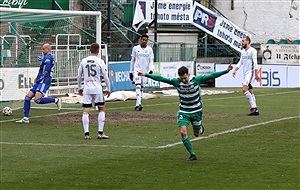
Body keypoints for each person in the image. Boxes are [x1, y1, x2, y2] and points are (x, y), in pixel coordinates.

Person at [138, 64, 233, 161]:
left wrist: (226, 71)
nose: (183, 80)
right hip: (184, 111)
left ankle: (200, 127)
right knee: (183, 132)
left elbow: (212, 75)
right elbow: (161, 78)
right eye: (181, 78)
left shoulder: (196, 80)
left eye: (185, 78)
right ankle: (192, 154)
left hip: (196, 111)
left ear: (188, 74)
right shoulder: (176, 82)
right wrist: (145, 74)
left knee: (197, 134)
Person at [16, 43, 62, 124]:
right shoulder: (47, 57)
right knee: (27, 98)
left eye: (43, 49)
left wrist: (43, 75)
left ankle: (56, 100)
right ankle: (25, 118)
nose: (42, 50)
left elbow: (47, 67)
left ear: (48, 49)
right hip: (39, 80)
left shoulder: (48, 57)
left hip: (44, 80)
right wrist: (42, 61)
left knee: (37, 99)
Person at [77, 43, 111, 140]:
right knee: (101, 108)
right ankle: (100, 132)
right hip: (97, 88)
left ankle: (86, 133)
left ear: (89, 50)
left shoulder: (84, 61)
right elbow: (105, 77)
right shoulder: (100, 61)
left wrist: (80, 87)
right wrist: (108, 89)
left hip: (87, 88)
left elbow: (79, 76)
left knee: (86, 110)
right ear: (98, 50)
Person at [232, 36, 260, 116]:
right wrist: (235, 70)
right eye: (242, 41)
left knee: (244, 89)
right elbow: (240, 62)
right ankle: (255, 110)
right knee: (250, 91)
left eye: (243, 41)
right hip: (245, 74)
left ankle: (254, 108)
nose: (242, 42)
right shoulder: (243, 52)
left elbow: (255, 63)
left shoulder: (252, 51)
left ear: (248, 41)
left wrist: (256, 73)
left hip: (250, 74)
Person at [130, 34, 154, 111]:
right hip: (137, 70)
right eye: (143, 39)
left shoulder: (149, 49)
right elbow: (132, 60)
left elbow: (151, 61)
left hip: (145, 71)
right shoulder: (135, 48)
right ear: (141, 40)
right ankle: (138, 103)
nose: (144, 41)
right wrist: (131, 71)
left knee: (142, 88)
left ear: (147, 41)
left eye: (146, 40)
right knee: (138, 85)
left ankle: (138, 103)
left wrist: (151, 69)